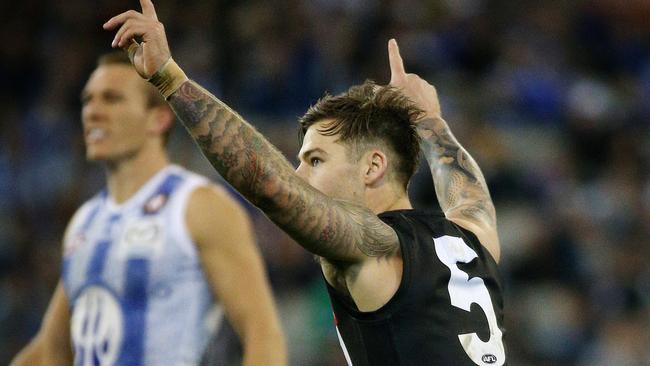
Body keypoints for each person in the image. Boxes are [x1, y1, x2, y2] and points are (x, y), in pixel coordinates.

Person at [103, 1, 507, 364]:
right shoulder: (472, 238)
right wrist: (429, 121)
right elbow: (470, 196)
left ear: (372, 167)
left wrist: (170, 80)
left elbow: (272, 187)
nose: (299, 175)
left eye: (315, 159)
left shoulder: (373, 245)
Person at [10, 51, 287, 366]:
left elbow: (262, 334)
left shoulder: (199, 206)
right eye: (88, 100)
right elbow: (50, 348)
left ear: (159, 119)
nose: (92, 112)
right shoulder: (85, 222)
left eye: (111, 99)